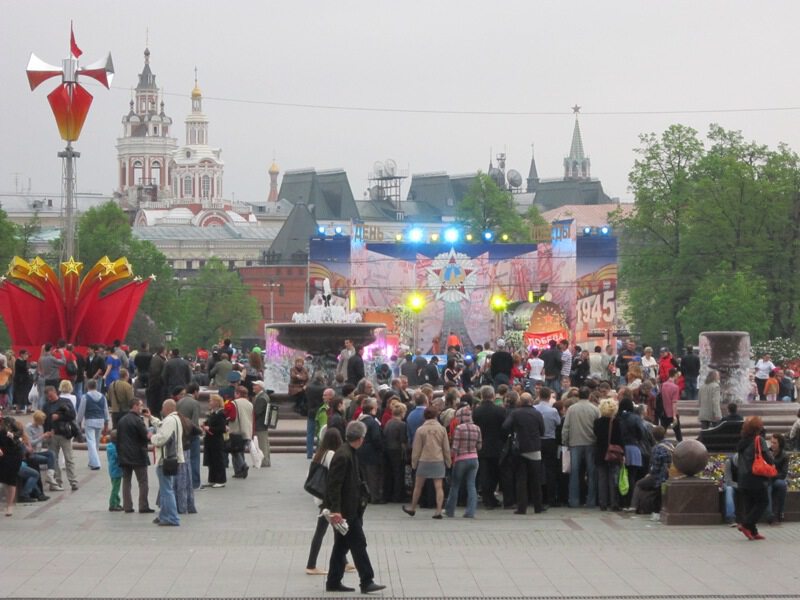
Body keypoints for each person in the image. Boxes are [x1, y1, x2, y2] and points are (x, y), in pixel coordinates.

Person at [324, 420, 386, 594]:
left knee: (341, 546)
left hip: (350, 508)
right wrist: (336, 510)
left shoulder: (349, 452)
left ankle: (333, 581)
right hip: (346, 510)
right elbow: (333, 485)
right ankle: (367, 580)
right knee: (359, 544)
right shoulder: (344, 455)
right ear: (360, 438)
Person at [306, 428, 349, 575]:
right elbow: (335, 475)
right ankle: (312, 565)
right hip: (328, 499)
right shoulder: (331, 454)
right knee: (331, 530)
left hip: (321, 497)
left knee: (333, 530)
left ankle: (343, 561)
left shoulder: (319, 454)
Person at [403, 407, 452, 519]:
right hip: (438, 460)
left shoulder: (420, 430)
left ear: (424, 416)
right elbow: (446, 448)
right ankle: (438, 510)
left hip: (424, 460)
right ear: (436, 416)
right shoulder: (442, 429)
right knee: (438, 486)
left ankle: (413, 508)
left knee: (418, 486)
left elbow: (416, 449)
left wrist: (414, 463)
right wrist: (448, 461)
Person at [503, 392, 545, 515]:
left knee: (521, 479)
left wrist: (515, 432)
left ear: (520, 402)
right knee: (536, 479)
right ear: (531, 401)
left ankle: (522, 508)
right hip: (535, 449)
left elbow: (505, 426)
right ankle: (538, 506)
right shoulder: (537, 413)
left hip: (520, 450)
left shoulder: (515, 413)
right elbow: (542, 430)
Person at [736, 416, 774, 540]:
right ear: (758, 428)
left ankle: (753, 531)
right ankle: (746, 525)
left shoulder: (742, 441)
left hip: (742, 478)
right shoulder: (759, 440)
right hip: (755, 477)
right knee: (763, 502)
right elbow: (769, 458)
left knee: (750, 504)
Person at [561, 387, 600, 508]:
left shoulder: (572, 409)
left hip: (575, 443)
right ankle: (591, 501)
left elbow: (566, 427)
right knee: (591, 473)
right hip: (591, 443)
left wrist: (565, 441)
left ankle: (574, 500)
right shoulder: (595, 409)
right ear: (589, 396)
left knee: (574, 473)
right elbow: (598, 427)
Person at [472, 384, 507, 509]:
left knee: (484, 473)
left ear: (481, 396)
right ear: (493, 395)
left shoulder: (476, 411)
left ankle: (487, 498)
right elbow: (505, 428)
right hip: (497, 446)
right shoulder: (500, 411)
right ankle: (491, 496)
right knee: (495, 473)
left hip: (481, 446)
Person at [150, 399, 184, 526]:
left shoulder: (170, 420)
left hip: (166, 459)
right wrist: (151, 418)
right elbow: (161, 425)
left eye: (163, 407)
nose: (162, 410)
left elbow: (163, 438)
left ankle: (172, 518)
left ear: (168, 408)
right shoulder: (174, 419)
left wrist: (151, 438)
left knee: (167, 490)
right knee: (166, 488)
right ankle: (164, 515)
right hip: (172, 459)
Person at [117, 399, 153, 514]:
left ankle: (127, 506)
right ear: (135, 406)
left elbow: (118, 438)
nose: (142, 408)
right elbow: (145, 436)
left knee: (126, 481)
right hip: (138, 455)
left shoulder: (121, 420)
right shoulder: (138, 421)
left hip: (124, 455)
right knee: (143, 481)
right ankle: (143, 506)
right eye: (140, 405)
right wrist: (150, 432)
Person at [631, 426, 673, 517]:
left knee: (639, 484)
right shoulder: (670, 445)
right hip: (669, 475)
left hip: (659, 477)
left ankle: (633, 506)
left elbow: (655, 467)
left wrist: (649, 474)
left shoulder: (656, 448)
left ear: (653, 436)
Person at [43, 385, 79, 491]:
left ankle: (73, 481)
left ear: (55, 392)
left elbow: (72, 415)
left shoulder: (65, 401)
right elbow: (45, 420)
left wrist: (59, 417)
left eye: (51, 396)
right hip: (52, 435)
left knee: (69, 458)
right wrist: (46, 432)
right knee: (54, 459)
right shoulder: (46, 406)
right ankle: (57, 481)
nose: (49, 399)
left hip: (64, 433)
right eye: (47, 397)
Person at [594, 398, 623, 512]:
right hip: (613, 454)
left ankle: (602, 503)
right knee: (613, 478)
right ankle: (614, 503)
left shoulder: (597, 422)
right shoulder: (616, 422)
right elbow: (620, 439)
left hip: (600, 453)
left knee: (602, 479)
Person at [76, 379, 110, 471]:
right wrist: (107, 423)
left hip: (90, 420)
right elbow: (105, 410)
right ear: (96, 386)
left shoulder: (85, 396)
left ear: (87, 386)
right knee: (96, 442)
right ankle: (92, 461)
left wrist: (78, 421)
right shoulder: (102, 397)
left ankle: (95, 463)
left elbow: (81, 410)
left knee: (91, 442)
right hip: (100, 420)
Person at [356, 397, 384, 504]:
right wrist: (380, 448)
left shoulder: (359, 420)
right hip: (371, 452)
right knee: (372, 475)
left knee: (364, 476)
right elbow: (376, 438)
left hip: (360, 451)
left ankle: (365, 495)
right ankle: (374, 497)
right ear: (373, 409)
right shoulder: (372, 422)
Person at [177, 383, 202, 488]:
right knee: (194, 458)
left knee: (183, 459)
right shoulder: (195, 403)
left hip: (181, 433)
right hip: (191, 434)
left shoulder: (179, 402)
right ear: (195, 392)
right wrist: (199, 431)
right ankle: (195, 483)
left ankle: (184, 481)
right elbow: (195, 422)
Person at [382, 402, 407, 503]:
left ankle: (388, 495)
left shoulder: (388, 422)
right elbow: (403, 440)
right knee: (398, 474)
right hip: (397, 450)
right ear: (402, 413)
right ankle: (398, 496)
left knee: (390, 473)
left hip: (388, 449)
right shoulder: (402, 424)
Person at [227, 386, 254, 479]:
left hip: (236, 429)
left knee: (234, 450)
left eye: (235, 393)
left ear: (238, 393)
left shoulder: (234, 403)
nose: (234, 394)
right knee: (240, 450)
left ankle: (242, 467)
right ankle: (240, 471)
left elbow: (231, 416)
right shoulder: (250, 404)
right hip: (247, 430)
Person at [0, 416, 25, 515]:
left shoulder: (8, 421)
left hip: (14, 453)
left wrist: (13, 434)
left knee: (10, 479)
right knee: (3, 480)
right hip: (2, 454)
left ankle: (9, 505)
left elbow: (20, 432)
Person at [202, 394, 227, 488]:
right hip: (210, 440)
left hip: (216, 440)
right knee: (211, 460)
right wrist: (205, 424)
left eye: (211, 400)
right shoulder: (213, 413)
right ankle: (212, 479)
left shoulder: (221, 414)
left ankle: (221, 480)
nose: (209, 402)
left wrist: (210, 428)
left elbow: (222, 428)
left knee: (218, 460)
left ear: (216, 402)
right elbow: (210, 422)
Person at [766, 433, 788, 524]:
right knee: (767, 489)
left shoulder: (784, 455)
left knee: (782, 484)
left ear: (780, 444)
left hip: (776, 479)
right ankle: (770, 516)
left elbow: (783, 474)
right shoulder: (767, 453)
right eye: (771, 442)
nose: (772, 445)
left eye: (775, 443)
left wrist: (773, 474)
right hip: (767, 479)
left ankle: (780, 513)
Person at [252, 381, 273, 468]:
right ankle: (266, 460)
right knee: (264, 442)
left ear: (260, 387)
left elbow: (257, 411)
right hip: (262, 423)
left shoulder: (261, 398)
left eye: (255, 385)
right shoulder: (263, 396)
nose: (253, 387)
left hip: (260, 424)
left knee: (262, 443)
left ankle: (264, 461)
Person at [659, 369, 682, 441]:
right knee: (678, 433)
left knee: (662, 432)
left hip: (663, 412)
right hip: (671, 413)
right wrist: (674, 415)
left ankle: (658, 443)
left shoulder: (662, 385)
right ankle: (681, 446)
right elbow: (674, 402)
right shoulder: (675, 387)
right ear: (675, 375)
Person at [146, 346, 166, 417]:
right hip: (156, 388)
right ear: (163, 351)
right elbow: (155, 373)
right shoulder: (158, 360)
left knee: (155, 408)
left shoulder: (156, 359)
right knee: (155, 408)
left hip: (156, 387)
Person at [106, 430, 123, 512]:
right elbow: (118, 457)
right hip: (116, 470)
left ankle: (117, 503)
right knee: (115, 488)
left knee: (116, 487)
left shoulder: (109, 446)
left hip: (113, 470)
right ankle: (112, 504)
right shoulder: (114, 448)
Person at [12, 349, 33, 414]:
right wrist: (25, 360)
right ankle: (18, 409)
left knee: (26, 393)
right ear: (21, 354)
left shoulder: (24, 361)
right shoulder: (18, 361)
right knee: (20, 394)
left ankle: (28, 407)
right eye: (26, 354)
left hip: (25, 381)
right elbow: (23, 367)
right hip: (20, 381)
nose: (27, 356)